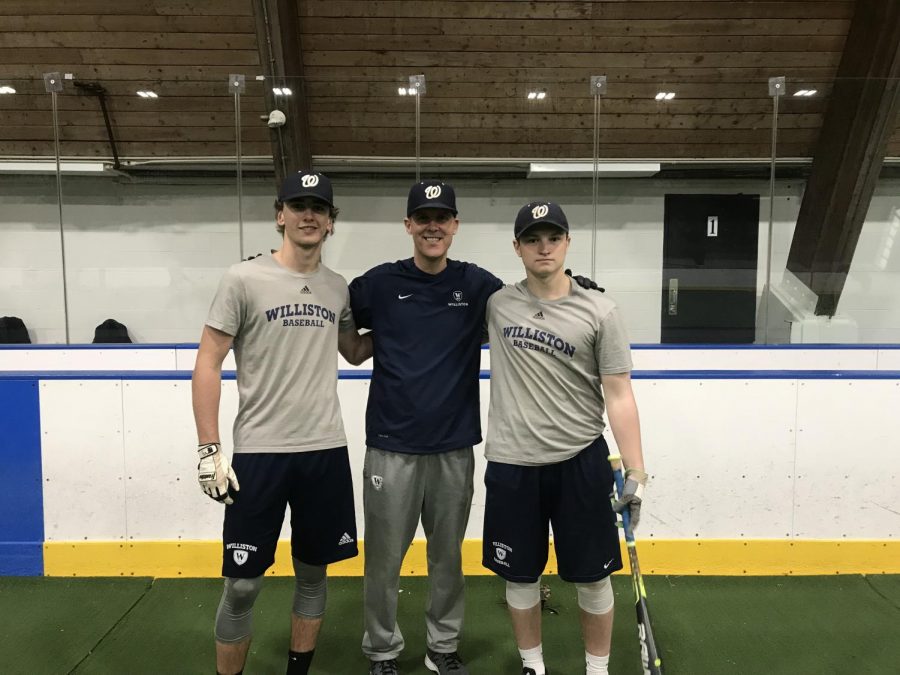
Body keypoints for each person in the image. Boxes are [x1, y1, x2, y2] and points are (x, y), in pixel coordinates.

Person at [349, 181, 602, 675]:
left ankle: (441, 647)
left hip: (454, 448)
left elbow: (531, 303)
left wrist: (574, 286)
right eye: (423, 218)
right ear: (408, 226)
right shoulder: (377, 284)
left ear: (455, 226)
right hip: (390, 447)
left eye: (442, 218)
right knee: (383, 562)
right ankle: (382, 652)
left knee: (447, 560)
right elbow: (345, 331)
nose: (432, 226)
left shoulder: (478, 286)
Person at [192, 170, 372, 675]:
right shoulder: (243, 278)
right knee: (244, 583)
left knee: (313, 576)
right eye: (298, 205)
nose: (308, 215)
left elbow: (355, 351)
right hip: (260, 454)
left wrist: (422, 320)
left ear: (331, 222)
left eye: (319, 207)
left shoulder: (337, 288)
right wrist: (209, 449)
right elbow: (208, 360)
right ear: (280, 216)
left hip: (324, 450)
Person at [482, 201, 649, 675]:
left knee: (593, 579)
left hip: (580, 462)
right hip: (513, 464)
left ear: (567, 244)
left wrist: (636, 470)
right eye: (532, 239)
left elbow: (619, 394)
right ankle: (533, 666)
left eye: (553, 238)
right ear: (517, 247)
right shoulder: (497, 304)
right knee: (520, 575)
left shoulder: (600, 309)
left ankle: (597, 669)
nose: (544, 247)